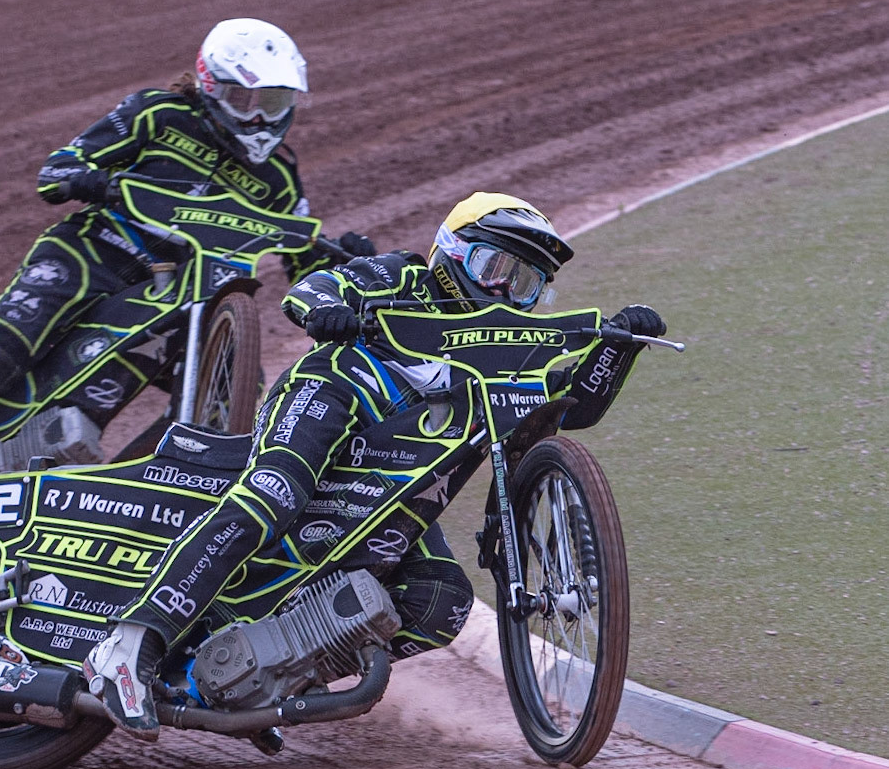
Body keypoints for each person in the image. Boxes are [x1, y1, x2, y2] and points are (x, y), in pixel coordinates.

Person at [82, 191, 667, 739]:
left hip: (397, 490)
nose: (505, 292)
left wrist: (620, 347)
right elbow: (310, 290)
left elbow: (572, 405)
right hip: (334, 391)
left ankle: (258, 677)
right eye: (496, 269)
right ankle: (132, 642)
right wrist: (330, 313)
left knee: (442, 599)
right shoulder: (401, 275)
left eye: (525, 284)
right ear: (452, 254)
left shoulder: (509, 352)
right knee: (274, 495)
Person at [0, 18, 369, 533]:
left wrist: (349, 266)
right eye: (242, 99)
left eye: (272, 103)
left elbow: (303, 257)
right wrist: (89, 180)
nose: (256, 118)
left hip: (176, 297)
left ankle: (112, 518)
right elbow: (59, 168)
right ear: (208, 85)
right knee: (4, 344)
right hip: (90, 255)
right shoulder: (157, 114)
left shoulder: (278, 174)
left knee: (233, 400)